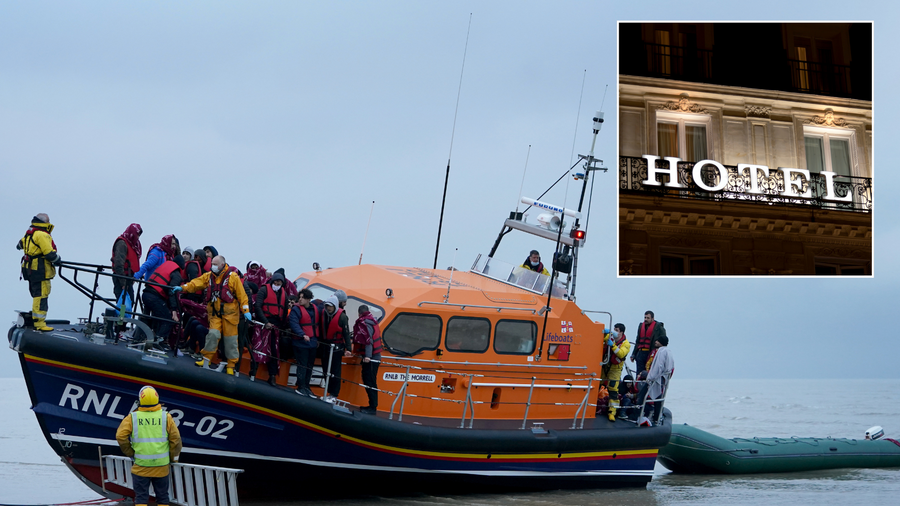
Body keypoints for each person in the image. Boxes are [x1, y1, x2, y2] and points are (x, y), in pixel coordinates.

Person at [175, 255, 250, 376]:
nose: (212, 266)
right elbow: (196, 283)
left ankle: (231, 365)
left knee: (231, 341)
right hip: (215, 314)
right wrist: (183, 288)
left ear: (222, 265)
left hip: (230, 315)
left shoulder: (233, 277)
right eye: (212, 264)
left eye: (215, 264)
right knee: (213, 335)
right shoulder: (209, 276)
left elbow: (242, 296)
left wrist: (246, 310)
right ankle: (206, 359)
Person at [115, 386, 182, 506]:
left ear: (140, 400)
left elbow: (120, 436)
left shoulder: (132, 417)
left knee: (141, 498)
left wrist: (130, 453)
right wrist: (173, 458)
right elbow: (176, 439)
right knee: (162, 497)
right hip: (161, 466)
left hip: (141, 467)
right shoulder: (165, 417)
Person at [18, 214, 61, 332]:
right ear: (45, 222)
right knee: (41, 296)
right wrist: (58, 261)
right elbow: (49, 253)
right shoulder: (42, 235)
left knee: (36, 293)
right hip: (40, 270)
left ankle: (35, 318)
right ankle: (39, 323)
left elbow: (19, 245)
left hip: (29, 268)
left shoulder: (30, 233)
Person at [139, 255, 185, 347]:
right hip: (154, 297)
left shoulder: (165, 265)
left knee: (150, 317)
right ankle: (157, 342)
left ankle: (138, 337)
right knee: (167, 319)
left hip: (146, 294)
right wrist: (174, 309)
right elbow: (172, 291)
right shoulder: (176, 274)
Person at [252, 272, 287, 386]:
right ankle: (253, 371)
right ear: (272, 281)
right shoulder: (264, 290)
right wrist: (265, 322)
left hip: (275, 326)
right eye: (276, 282)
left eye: (279, 283)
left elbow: (285, 311)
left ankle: (272, 376)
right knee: (259, 347)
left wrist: (281, 327)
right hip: (263, 324)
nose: (277, 284)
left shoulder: (284, 294)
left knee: (273, 352)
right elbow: (258, 306)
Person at [319, 294, 351, 403]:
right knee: (325, 369)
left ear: (335, 306)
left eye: (330, 306)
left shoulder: (342, 317)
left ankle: (334, 394)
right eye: (327, 305)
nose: (328, 308)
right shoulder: (324, 314)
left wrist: (348, 348)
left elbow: (346, 334)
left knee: (335, 371)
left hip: (337, 348)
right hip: (325, 345)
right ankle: (328, 392)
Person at [289, 288, 320, 397]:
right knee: (302, 364)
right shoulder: (296, 310)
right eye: (300, 297)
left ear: (308, 299)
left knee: (309, 366)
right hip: (300, 343)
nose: (300, 300)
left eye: (303, 298)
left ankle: (307, 386)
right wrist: (302, 334)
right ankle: (301, 386)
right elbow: (294, 323)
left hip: (312, 343)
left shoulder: (315, 309)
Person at [353, 304, 382, 414]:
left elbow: (368, 341)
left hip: (372, 359)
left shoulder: (365, 323)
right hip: (373, 357)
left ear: (359, 313)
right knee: (369, 381)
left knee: (370, 381)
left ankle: (372, 407)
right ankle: (372, 405)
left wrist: (368, 357)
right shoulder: (372, 321)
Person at [638, 335, 674, 426]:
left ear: (661, 342)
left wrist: (650, 377)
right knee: (658, 398)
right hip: (663, 379)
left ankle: (638, 414)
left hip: (656, 379)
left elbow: (658, 366)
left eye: (657, 341)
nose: (655, 342)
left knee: (642, 396)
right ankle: (656, 417)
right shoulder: (669, 352)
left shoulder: (661, 352)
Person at [111, 223, 143, 318]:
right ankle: (118, 326)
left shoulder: (132, 244)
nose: (137, 237)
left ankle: (122, 326)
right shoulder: (122, 243)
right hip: (122, 278)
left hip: (128, 278)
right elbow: (119, 264)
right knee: (123, 304)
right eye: (137, 234)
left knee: (129, 302)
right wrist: (123, 283)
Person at [600, 323, 630, 422]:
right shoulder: (610, 337)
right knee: (598, 382)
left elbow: (621, 353)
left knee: (613, 389)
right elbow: (601, 340)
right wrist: (604, 334)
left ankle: (612, 412)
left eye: (616, 330)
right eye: (614, 329)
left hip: (615, 369)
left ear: (621, 332)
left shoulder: (626, 344)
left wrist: (612, 345)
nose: (614, 331)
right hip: (605, 365)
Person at [631, 310, 666, 375]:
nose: (646, 319)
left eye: (648, 318)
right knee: (639, 373)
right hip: (640, 353)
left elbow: (663, 340)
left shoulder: (659, 327)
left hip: (651, 353)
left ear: (652, 319)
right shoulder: (641, 326)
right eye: (645, 317)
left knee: (649, 372)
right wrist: (634, 354)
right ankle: (638, 384)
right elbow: (637, 341)